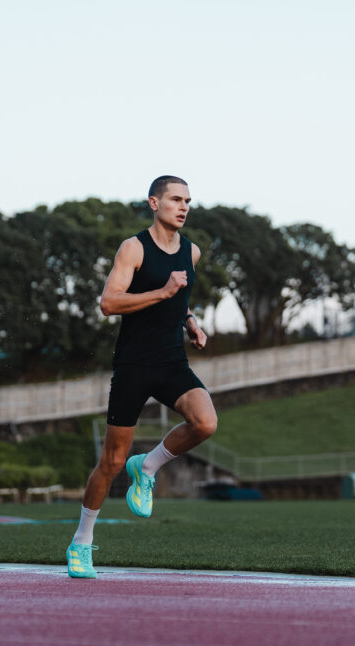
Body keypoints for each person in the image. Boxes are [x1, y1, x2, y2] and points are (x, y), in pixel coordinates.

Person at [66, 175, 217, 579]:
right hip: (134, 365)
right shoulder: (133, 248)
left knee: (205, 422)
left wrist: (191, 322)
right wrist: (163, 293)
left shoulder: (192, 252)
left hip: (172, 362)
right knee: (111, 462)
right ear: (154, 203)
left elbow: (180, 299)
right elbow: (108, 303)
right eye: (174, 199)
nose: (183, 207)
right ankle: (81, 541)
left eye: (188, 200)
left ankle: (147, 468)